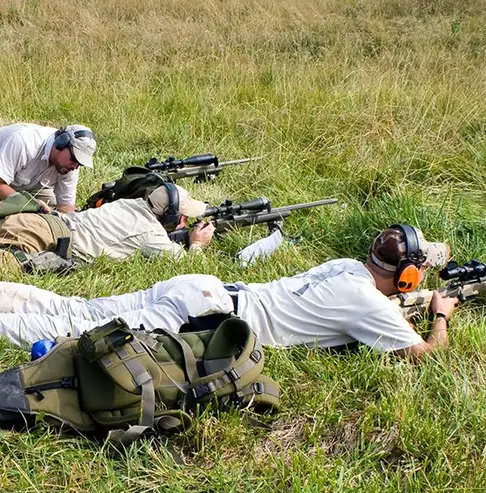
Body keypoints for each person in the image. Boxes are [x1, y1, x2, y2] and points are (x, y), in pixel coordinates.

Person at [0, 225, 458, 360]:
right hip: (205, 314)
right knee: (76, 330)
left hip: (203, 289)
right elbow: (426, 355)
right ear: (407, 278)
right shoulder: (369, 305)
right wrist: (440, 313)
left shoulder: (345, 269)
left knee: (76, 307)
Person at [0, 183, 215, 272]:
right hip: (44, 233)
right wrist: (196, 244)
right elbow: (189, 267)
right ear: (169, 216)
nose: (186, 222)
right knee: (6, 267)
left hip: (41, 223)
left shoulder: (131, 204)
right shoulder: (149, 234)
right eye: (184, 217)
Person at [0, 123, 97, 213]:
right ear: (61, 142)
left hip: (25, 187)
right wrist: (29, 205)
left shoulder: (70, 166)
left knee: (51, 205)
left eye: (80, 163)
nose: (75, 167)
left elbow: (66, 207)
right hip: (2, 182)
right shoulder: (23, 142)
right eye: (74, 159)